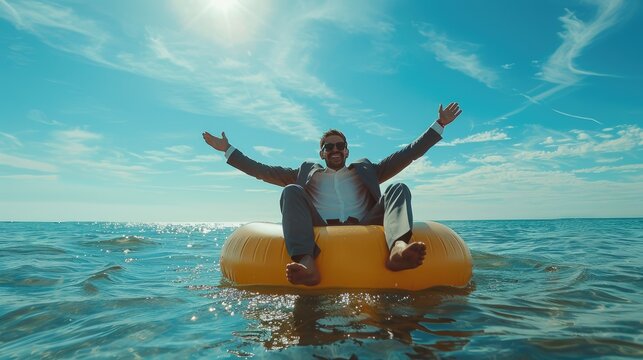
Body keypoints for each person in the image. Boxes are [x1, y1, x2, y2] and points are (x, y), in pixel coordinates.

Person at [203, 102, 462, 286]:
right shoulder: (305, 173)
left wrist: (439, 124)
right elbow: (262, 170)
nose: (335, 149)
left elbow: (409, 154)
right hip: (320, 226)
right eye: (329, 147)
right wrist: (228, 150)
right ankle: (308, 264)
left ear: (347, 150)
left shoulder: (368, 170)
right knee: (291, 191)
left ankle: (397, 250)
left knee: (398, 188)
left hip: (366, 223)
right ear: (322, 153)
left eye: (340, 146)